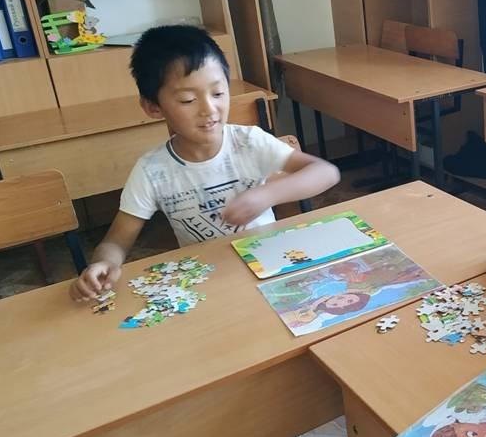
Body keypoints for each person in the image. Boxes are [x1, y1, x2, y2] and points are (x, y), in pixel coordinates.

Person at [70, 25, 340, 301]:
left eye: (218, 93)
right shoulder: (152, 171)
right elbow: (116, 241)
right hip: (207, 282)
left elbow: (325, 172)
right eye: (188, 99)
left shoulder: (249, 142)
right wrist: (103, 263)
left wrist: (267, 194)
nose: (209, 109)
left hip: (272, 267)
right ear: (153, 107)